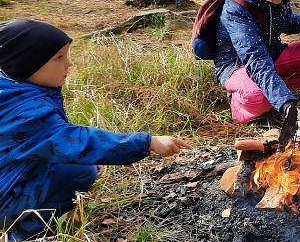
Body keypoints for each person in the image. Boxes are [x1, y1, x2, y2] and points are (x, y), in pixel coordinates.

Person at [0, 18, 191, 241]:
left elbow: (49, 141)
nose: (68, 63)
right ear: (28, 63)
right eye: (58, 58)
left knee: (82, 164)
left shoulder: (11, 90)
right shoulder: (27, 113)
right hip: (3, 198)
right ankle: (18, 234)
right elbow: (77, 140)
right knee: (83, 172)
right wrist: (148, 142)